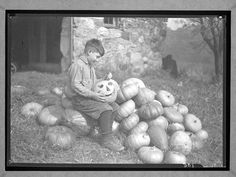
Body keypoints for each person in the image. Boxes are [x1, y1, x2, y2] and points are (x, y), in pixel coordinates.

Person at [64, 38, 124, 152]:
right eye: (97, 57)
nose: (97, 60)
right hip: (79, 99)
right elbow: (76, 86)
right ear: (89, 52)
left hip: (88, 96)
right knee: (106, 109)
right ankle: (106, 139)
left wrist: (103, 79)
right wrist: (93, 95)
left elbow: (93, 83)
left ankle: (106, 133)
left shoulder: (90, 66)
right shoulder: (78, 65)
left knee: (114, 107)